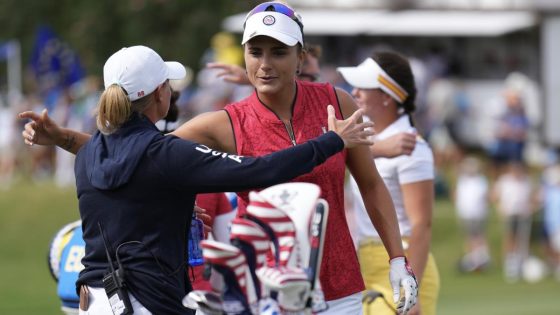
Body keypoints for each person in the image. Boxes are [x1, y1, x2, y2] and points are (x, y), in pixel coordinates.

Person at [20, 2, 418, 314]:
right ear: (244, 57)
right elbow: (143, 157)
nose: (265, 63)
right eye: (255, 51)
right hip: (260, 288)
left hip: (338, 281)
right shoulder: (224, 122)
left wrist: (398, 259)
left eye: (278, 52)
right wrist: (66, 138)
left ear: (300, 57)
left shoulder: (336, 102)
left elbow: (370, 184)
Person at [339, 52, 439, 315]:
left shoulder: (412, 148)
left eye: (364, 87)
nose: (354, 92)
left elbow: (421, 225)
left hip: (404, 266)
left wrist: (411, 287)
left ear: (387, 96)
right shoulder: (369, 139)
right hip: (368, 266)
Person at [492, 161, 536, 282]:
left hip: (523, 214)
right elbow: (495, 196)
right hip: (509, 214)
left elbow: (533, 197)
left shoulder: (526, 181)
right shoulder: (504, 181)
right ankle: (510, 265)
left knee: (522, 240)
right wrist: (499, 209)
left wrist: (531, 207)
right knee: (510, 238)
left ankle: (522, 265)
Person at [454, 156, 491, 273]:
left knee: (478, 237)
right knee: (470, 238)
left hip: (478, 214)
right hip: (466, 214)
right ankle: (473, 260)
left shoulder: (481, 180)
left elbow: (485, 197)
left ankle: (481, 260)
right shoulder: (462, 180)